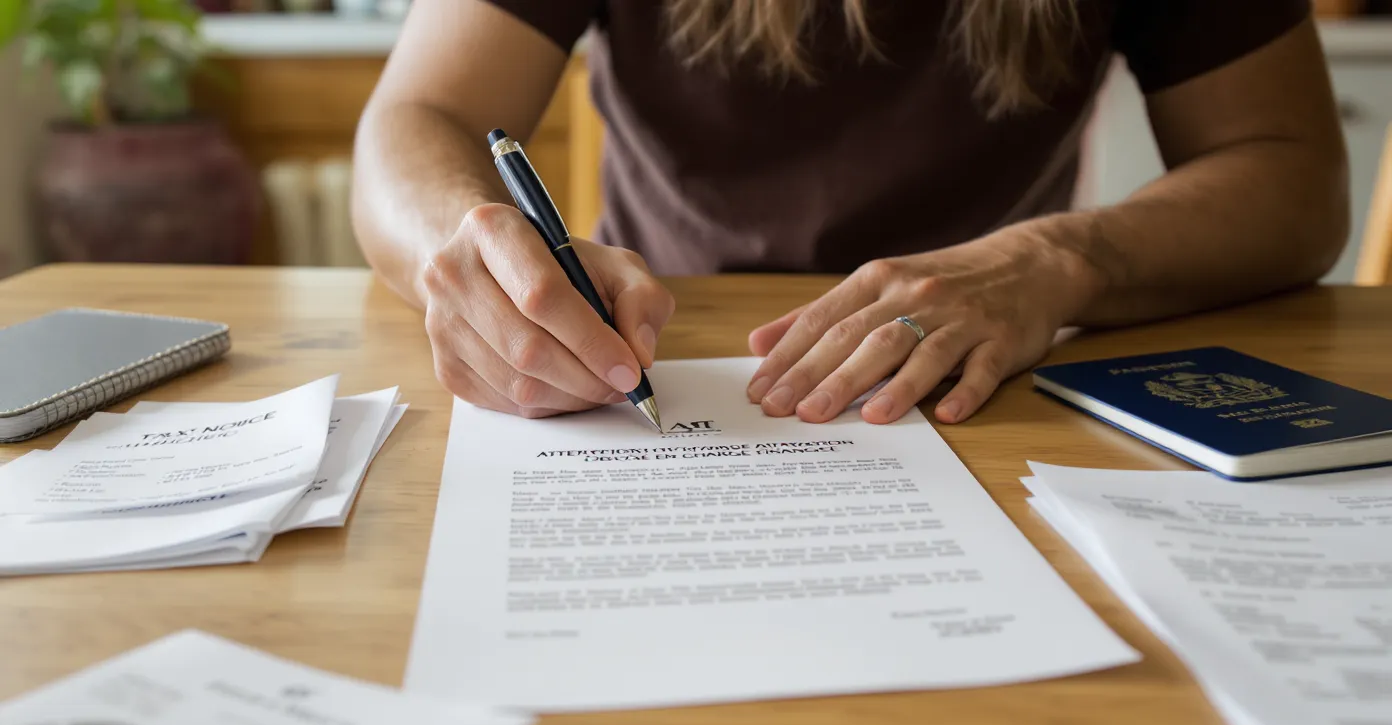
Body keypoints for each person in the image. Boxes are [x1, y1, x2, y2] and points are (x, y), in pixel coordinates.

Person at [351, 0, 1347, 426]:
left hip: (996, 380)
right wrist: (472, 245)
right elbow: (417, 120)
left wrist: (1054, 262)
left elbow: (1291, 174)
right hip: (662, 352)